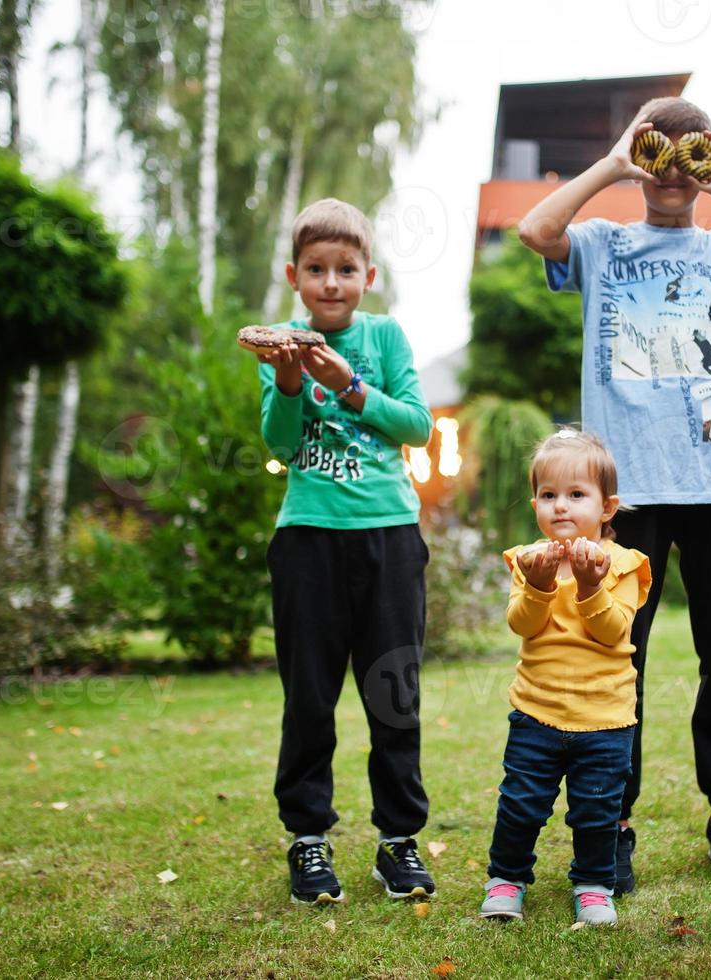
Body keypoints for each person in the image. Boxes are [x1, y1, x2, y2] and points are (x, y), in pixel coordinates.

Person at [518, 95, 711, 891]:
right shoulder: (601, 242)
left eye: (684, 155)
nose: (668, 172)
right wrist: (615, 161)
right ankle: (608, 823)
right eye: (657, 154)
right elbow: (534, 231)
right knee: (618, 653)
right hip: (629, 489)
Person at [254, 198, 436, 905]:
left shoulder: (386, 338)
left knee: (393, 695)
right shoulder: (276, 346)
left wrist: (349, 387)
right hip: (307, 538)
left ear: (368, 274)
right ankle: (309, 842)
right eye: (317, 270)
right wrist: (295, 379)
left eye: (346, 269)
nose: (331, 282)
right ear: (294, 275)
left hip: (389, 537)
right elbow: (279, 441)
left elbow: (415, 426)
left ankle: (398, 840)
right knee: (309, 698)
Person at [478, 430, 652, 926]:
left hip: (605, 718)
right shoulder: (528, 560)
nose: (561, 506)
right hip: (537, 712)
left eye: (577, 495)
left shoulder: (624, 564)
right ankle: (506, 878)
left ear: (607, 507)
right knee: (521, 805)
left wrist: (591, 586)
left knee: (597, 812)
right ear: (535, 502)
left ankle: (594, 884)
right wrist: (538, 586)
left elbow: (614, 630)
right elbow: (522, 624)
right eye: (549, 495)